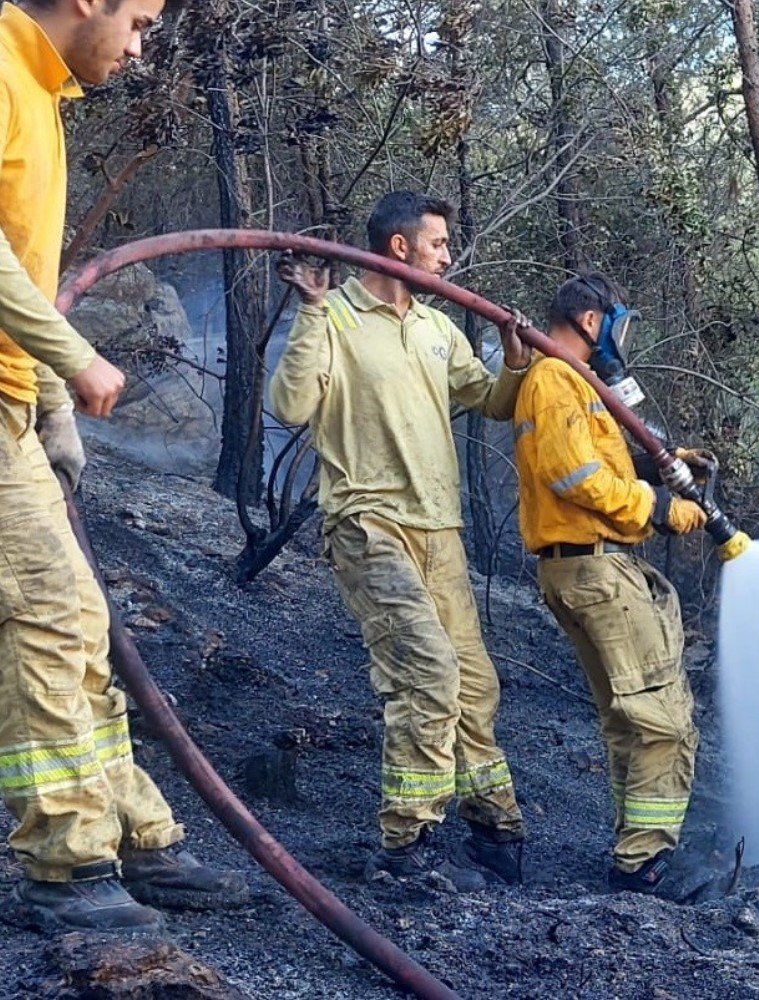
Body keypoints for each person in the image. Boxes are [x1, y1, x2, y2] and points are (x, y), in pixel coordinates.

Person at [0, 0, 250, 933]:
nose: (143, 49)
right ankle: (67, 866)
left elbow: (18, 266)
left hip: (13, 404)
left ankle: (131, 836)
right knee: (51, 614)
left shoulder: (38, 91)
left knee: (76, 617)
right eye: (140, 21)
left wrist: (49, 408)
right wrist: (72, 356)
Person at [270, 191, 532, 887]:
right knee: (428, 673)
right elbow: (289, 405)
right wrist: (309, 310)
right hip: (369, 525)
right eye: (440, 244)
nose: (448, 256)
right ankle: (407, 846)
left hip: (439, 531)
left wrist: (513, 360)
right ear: (399, 248)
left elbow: (494, 402)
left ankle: (492, 827)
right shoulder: (338, 317)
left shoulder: (438, 329)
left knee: (474, 685)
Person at [512, 272, 715, 899]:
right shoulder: (553, 379)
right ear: (592, 322)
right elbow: (578, 479)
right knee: (661, 720)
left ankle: (636, 850)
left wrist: (673, 458)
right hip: (596, 568)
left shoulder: (567, 384)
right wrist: (659, 508)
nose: (616, 342)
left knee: (629, 720)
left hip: (582, 568)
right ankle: (645, 863)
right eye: (615, 328)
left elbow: (595, 462)